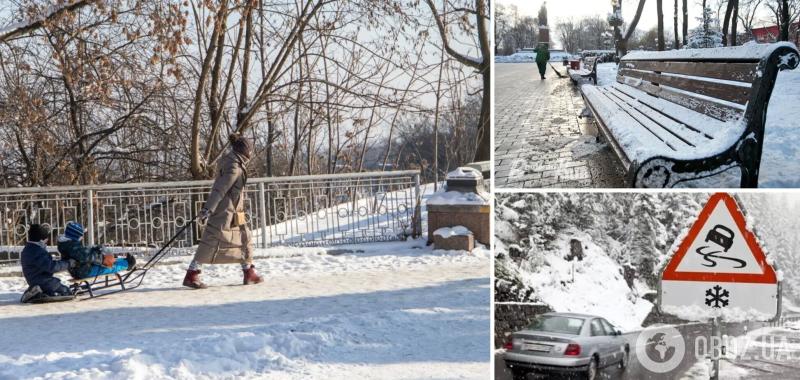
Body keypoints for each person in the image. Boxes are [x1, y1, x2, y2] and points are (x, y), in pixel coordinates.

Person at [183, 133, 263, 289]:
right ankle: (191, 274)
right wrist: (208, 209)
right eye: (250, 150)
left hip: (234, 211)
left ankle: (249, 272)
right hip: (225, 212)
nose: (251, 153)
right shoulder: (233, 166)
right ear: (244, 150)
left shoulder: (235, 162)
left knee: (244, 239)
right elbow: (220, 189)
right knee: (210, 241)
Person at [57, 221, 135, 279]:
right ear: (75, 235)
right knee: (108, 267)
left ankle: (124, 261)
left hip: (81, 267)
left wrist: (94, 249)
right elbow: (87, 256)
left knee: (106, 262)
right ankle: (127, 264)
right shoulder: (72, 246)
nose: (81, 238)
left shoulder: (67, 243)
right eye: (80, 236)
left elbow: (83, 253)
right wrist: (100, 257)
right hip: (84, 271)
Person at [20, 224, 75, 302]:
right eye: (46, 239)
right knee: (66, 291)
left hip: (35, 279)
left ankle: (36, 291)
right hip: (43, 280)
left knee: (58, 287)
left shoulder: (28, 249)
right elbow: (51, 267)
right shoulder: (37, 251)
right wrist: (68, 263)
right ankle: (37, 294)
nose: (47, 242)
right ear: (41, 240)